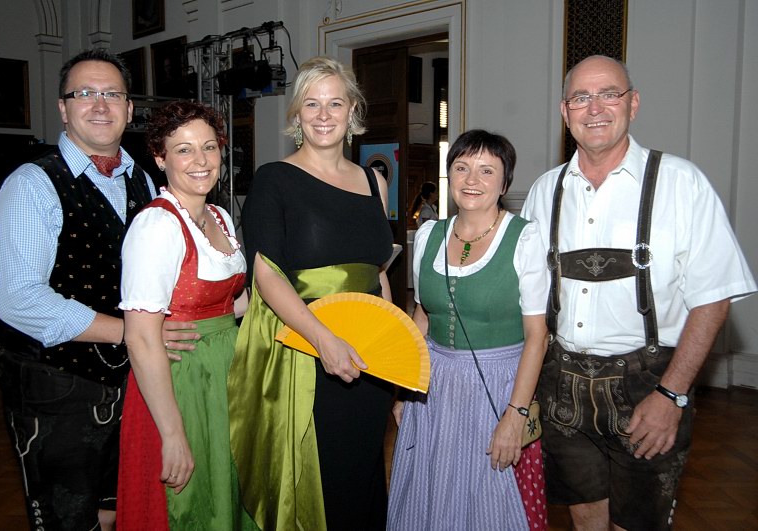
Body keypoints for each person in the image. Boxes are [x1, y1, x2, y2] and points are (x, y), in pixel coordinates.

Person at [521, 55, 757, 531]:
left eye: (609, 94)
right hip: (562, 387)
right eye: (580, 98)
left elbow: (713, 297)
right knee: (586, 519)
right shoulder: (544, 191)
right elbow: (526, 296)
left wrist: (672, 393)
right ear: (565, 112)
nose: (595, 108)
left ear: (633, 104)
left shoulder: (682, 183)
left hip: (648, 387)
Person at [0, 48, 197, 530]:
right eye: (85, 93)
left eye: (112, 94)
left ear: (129, 108)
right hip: (55, 386)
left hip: (130, 383)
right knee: (67, 520)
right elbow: (19, 300)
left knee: (117, 510)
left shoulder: (144, 181)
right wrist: (132, 333)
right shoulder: (33, 184)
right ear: (63, 109)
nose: (100, 105)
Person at [227, 56, 395, 530]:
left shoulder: (374, 182)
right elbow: (267, 276)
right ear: (297, 114)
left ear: (352, 110)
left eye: (335, 103)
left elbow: (378, 272)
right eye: (312, 104)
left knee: (363, 477)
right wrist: (324, 340)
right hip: (306, 353)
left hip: (368, 357)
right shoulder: (273, 179)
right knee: (322, 482)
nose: (324, 114)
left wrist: (392, 346)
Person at [388, 130, 550, 530]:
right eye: (461, 168)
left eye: (486, 170)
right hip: (433, 388)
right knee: (428, 494)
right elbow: (423, 318)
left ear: (505, 183)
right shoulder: (430, 235)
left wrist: (516, 415)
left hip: (498, 386)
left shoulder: (526, 238)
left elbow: (537, 336)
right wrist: (405, 390)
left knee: (488, 501)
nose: (472, 180)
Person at [115, 101, 255, 530]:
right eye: (184, 150)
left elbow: (232, 304)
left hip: (225, 374)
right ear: (160, 158)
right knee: (191, 505)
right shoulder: (156, 226)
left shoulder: (219, 216)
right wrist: (172, 433)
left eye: (209, 147)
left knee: (228, 494)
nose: (201, 160)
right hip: (181, 382)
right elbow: (141, 338)